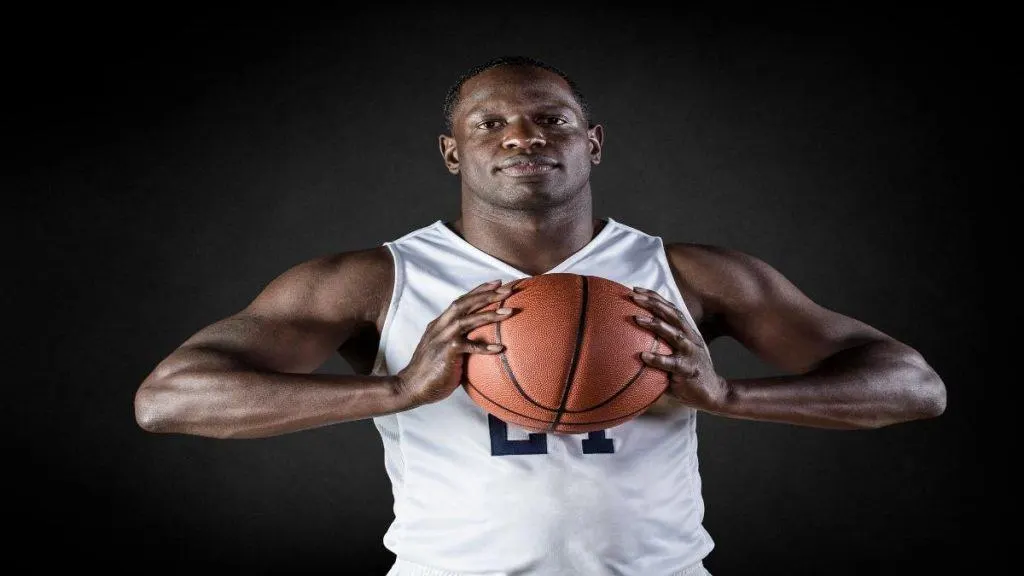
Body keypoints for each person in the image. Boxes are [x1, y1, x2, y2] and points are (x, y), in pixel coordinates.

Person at [134, 55, 947, 576]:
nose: (523, 137)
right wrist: (397, 389)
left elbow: (914, 387)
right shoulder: (372, 280)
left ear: (591, 143)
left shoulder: (690, 275)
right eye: (490, 122)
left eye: (551, 119)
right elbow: (169, 400)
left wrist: (732, 397)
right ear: (454, 152)